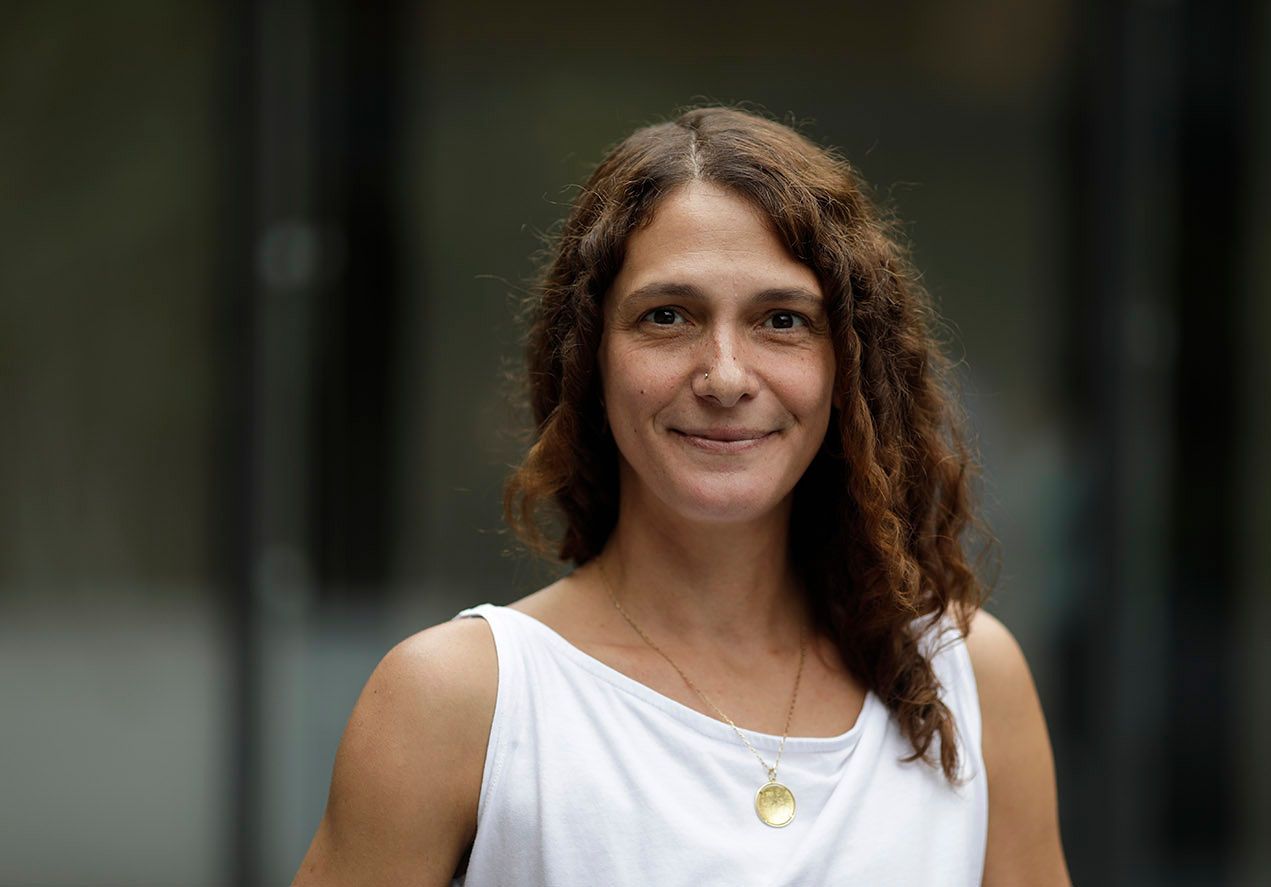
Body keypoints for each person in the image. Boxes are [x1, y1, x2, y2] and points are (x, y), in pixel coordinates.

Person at [293, 106, 1070, 886]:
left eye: (781, 320)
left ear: (848, 368)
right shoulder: (458, 698)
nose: (725, 376)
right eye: (666, 316)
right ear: (589, 357)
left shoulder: (966, 677)